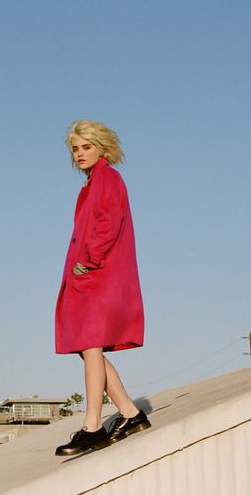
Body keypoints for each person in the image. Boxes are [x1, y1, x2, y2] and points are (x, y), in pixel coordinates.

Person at [54, 120, 151, 456]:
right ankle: (130, 413)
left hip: (98, 275)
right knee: (86, 347)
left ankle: (92, 425)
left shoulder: (108, 178)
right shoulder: (94, 182)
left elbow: (108, 223)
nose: (80, 154)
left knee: (90, 344)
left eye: (86, 147)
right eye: (75, 149)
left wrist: (88, 261)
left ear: (102, 147)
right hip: (91, 274)